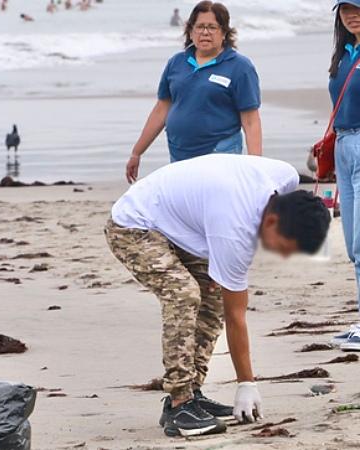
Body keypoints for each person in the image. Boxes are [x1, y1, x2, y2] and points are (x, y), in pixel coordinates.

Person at [106, 155, 331, 437]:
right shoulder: (234, 232)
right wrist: (246, 384)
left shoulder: (286, 177)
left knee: (210, 300)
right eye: (286, 246)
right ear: (272, 221)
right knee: (184, 295)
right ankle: (179, 405)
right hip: (134, 223)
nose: (284, 255)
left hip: (182, 220)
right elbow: (236, 315)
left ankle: (193, 392)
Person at [125, 1, 262, 183]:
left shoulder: (240, 67)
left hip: (220, 152)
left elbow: (251, 121)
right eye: (199, 27)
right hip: (179, 154)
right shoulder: (176, 63)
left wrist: (257, 168)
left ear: (224, 33)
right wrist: (137, 152)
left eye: (212, 27)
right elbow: (161, 109)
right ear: (190, 32)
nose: (205, 32)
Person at [329, 0, 360, 351]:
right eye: (345, 8)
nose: (352, 14)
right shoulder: (345, 52)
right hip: (343, 145)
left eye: (358, 8)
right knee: (353, 246)